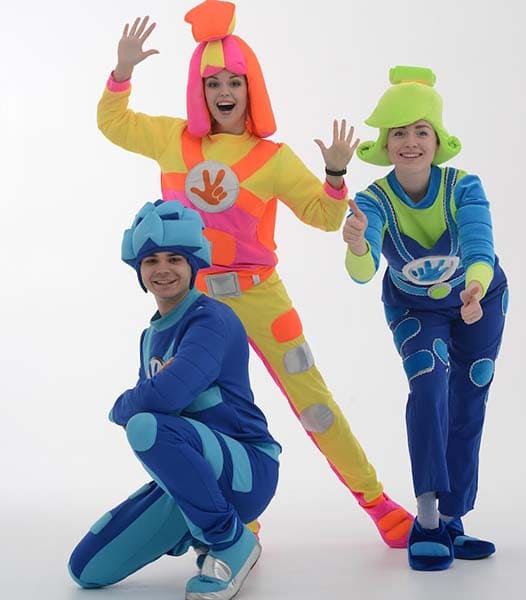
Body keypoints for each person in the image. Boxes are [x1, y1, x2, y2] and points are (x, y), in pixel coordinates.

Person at [97, 0, 412, 547]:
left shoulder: (273, 158)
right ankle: (229, 508)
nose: (224, 91)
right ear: (198, 89)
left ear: (251, 88)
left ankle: (377, 503)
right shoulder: (173, 139)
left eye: (235, 81)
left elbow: (324, 215)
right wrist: (122, 71)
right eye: (213, 81)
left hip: (260, 296)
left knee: (313, 400)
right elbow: (114, 123)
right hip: (193, 304)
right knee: (195, 404)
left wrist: (335, 174)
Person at [68, 199, 281, 600]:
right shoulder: (150, 337)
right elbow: (159, 398)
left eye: (174, 259)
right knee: (86, 569)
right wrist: (147, 398)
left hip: (248, 471)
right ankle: (200, 524)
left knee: (144, 426)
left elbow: (166, 397)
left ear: (193, 264)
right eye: (151, 260)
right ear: (139, 270)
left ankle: (229, 541)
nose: (162, 269)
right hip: (197, 476)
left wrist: (122, 405)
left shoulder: (212, 319)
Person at [343, 66, 509, 571]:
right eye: (399, 133)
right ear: (385, 143)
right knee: (430, 387)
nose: (410, 142)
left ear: (437, 140)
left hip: (480, 298)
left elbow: (479, 243)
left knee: (469, 396)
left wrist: (474, 286)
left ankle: (455, 519)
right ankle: (429, 519)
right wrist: (357, 245)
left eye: (421, 131)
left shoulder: (464, 187)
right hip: (414, 308)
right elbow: (362, 272)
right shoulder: (372, 201)